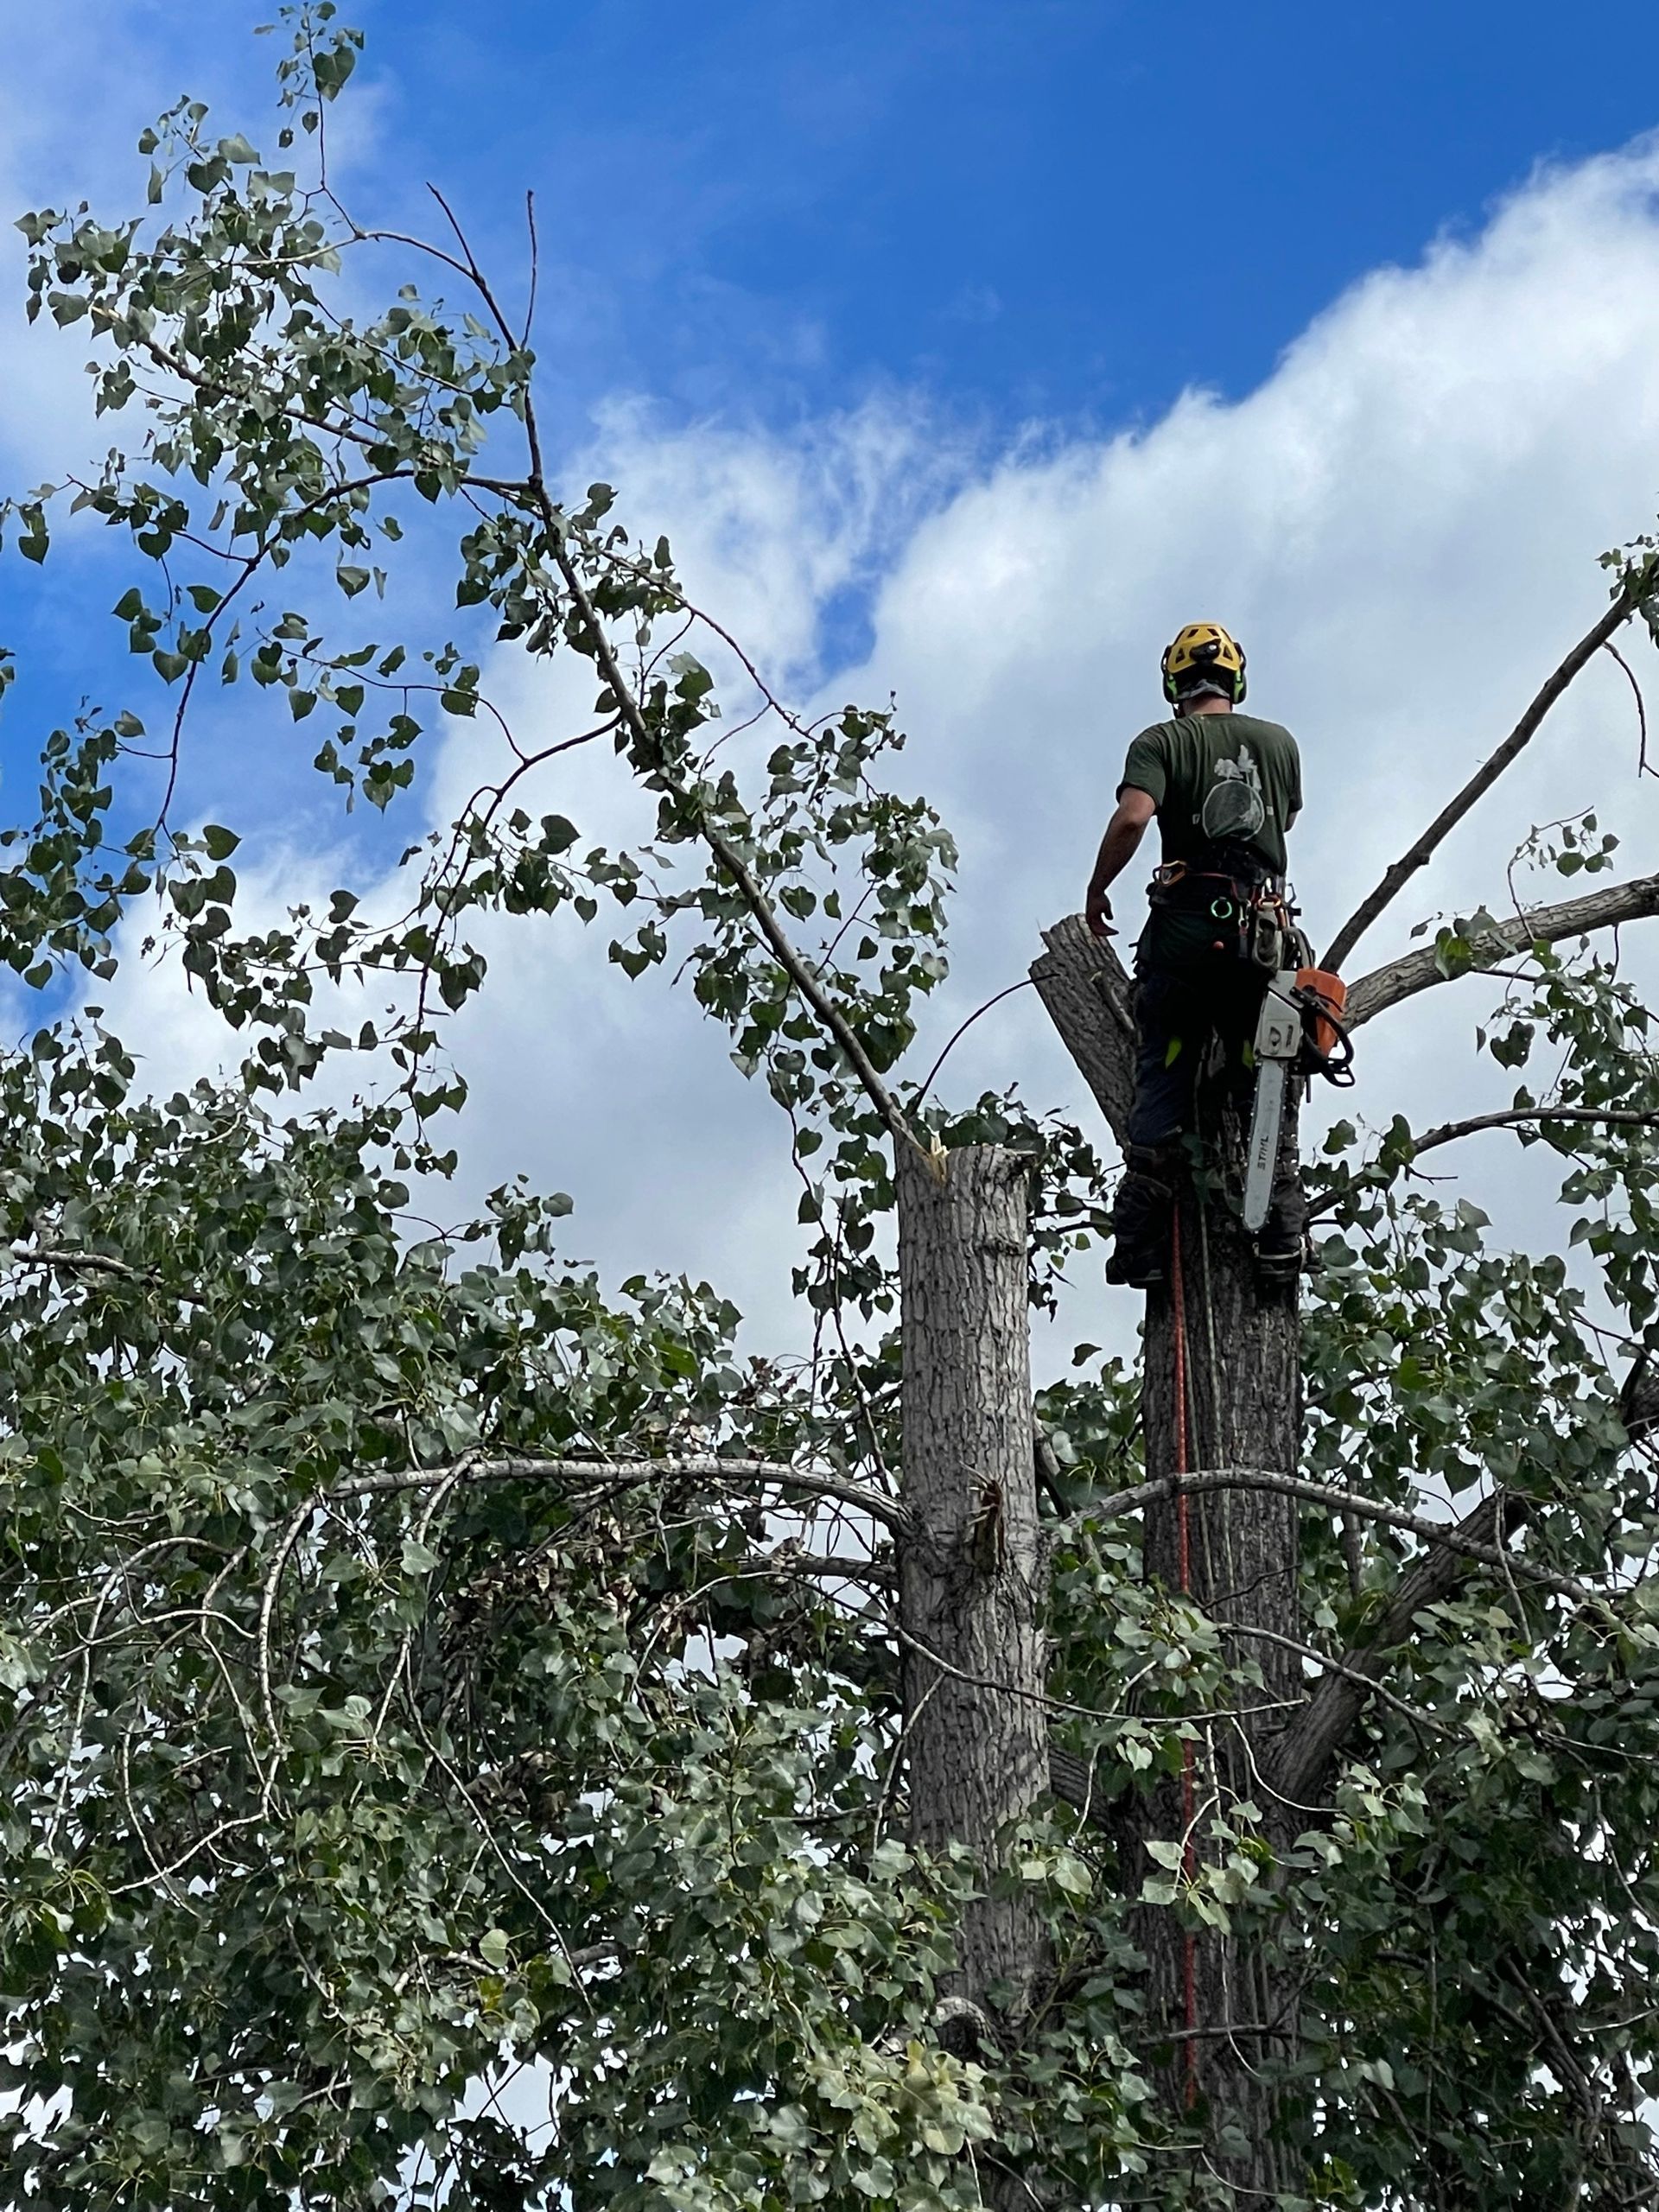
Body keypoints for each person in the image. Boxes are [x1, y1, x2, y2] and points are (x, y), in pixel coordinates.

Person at [1085, 621, 1307, 1289]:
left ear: (1173, 685)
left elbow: (1133, 817)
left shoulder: (1160, 742)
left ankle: (1143, 1246)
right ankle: (1279, 1233)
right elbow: (1284, 820)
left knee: (1164, 1068)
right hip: (1260, 941)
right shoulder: (1279, 743)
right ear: (1237, 680)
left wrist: (1098, 887)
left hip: (1183, 942)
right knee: (1266, 1079)